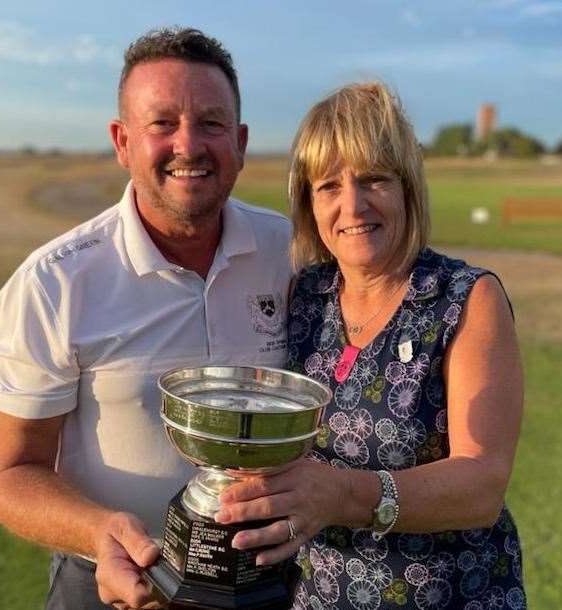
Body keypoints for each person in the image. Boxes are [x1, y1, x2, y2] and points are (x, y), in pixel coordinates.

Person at [0, 28, 292, 610]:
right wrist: (100, 531)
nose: (188, 145)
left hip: (266, 581)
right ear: (122, 141)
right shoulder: (55, 283)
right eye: (162, 123)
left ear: (242, 142)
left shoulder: (290, 251)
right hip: (108, 583)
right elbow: (10, 475)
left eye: (212, 124)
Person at [214, 82, 527, 609]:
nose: (352, 205)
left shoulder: (465, 298)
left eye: (374, 179)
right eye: (328, 186)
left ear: (407, 186)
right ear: (308, 203)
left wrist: (341, 495)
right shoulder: (306, 295)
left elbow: (482, 485)